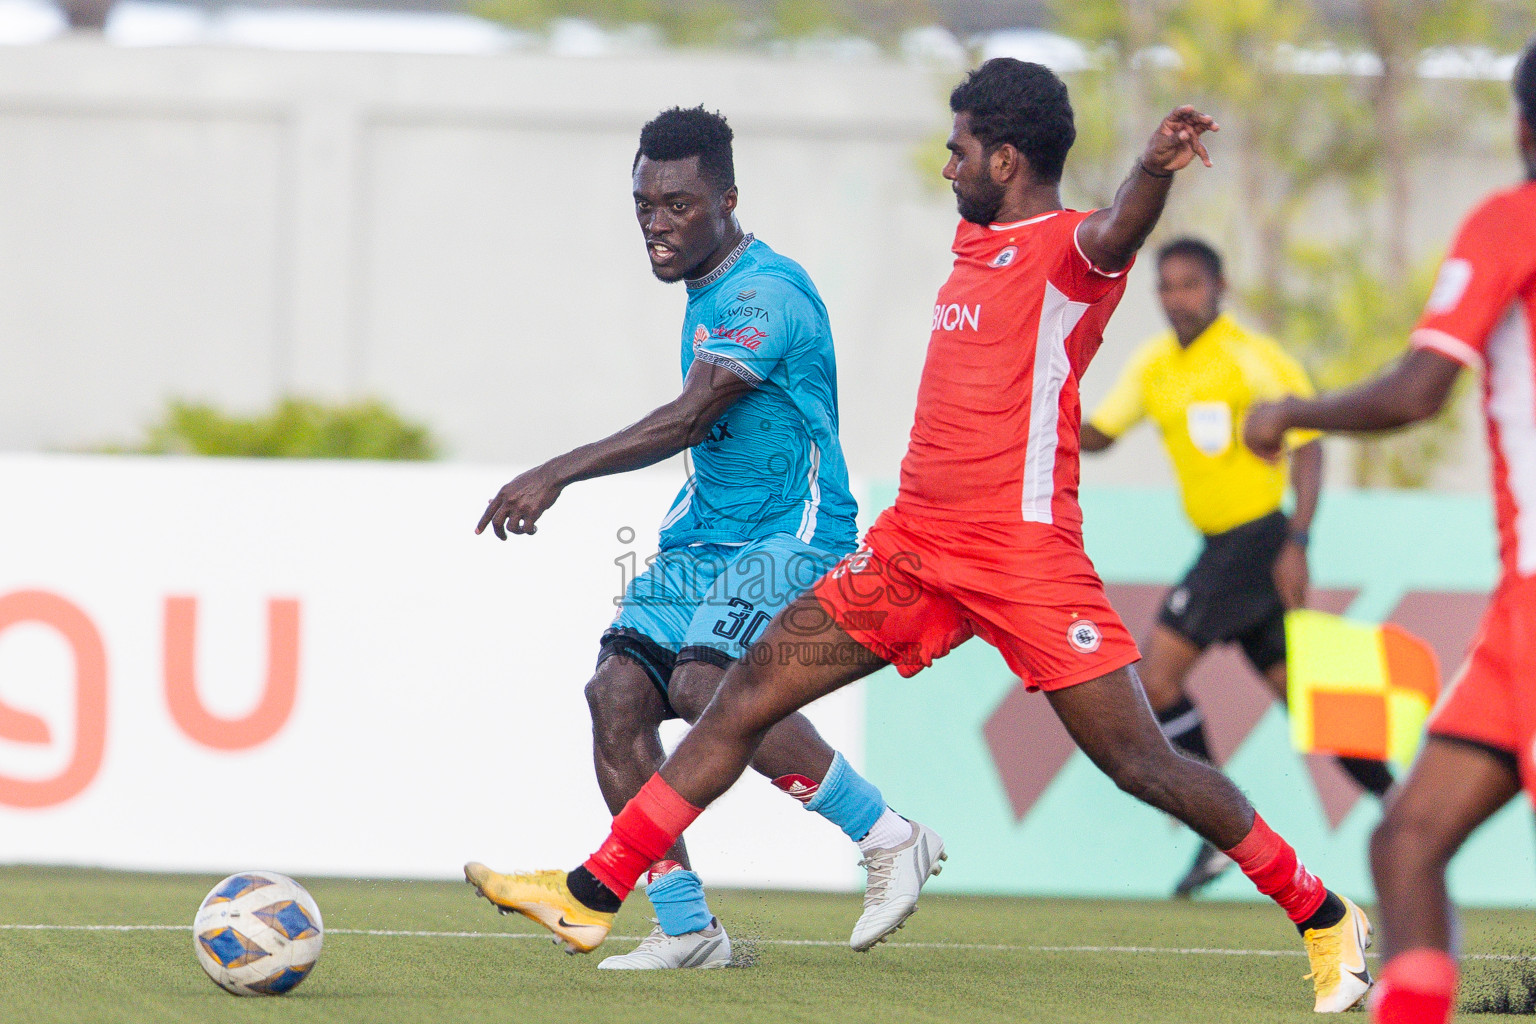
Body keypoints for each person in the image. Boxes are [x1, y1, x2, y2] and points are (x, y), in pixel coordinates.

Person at [472, 60, 1372, 1013]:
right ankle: (592, 893)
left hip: (1025, 560)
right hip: (912, 551)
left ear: (1008, 158)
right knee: (734, 696)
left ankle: (1322, 916)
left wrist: (1152, 168)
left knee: (1139, 761)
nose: (948, 167)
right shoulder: (974, 240)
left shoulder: (1074, 251)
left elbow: (1119, 228)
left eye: (960, 151)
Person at [470, 106, 942, 969]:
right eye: (645, 203)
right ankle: (686, 927)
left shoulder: (765, 295)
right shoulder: (706, 291)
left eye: (679, 205)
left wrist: (556, 473)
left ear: (727, 199)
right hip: (703, 541)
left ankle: (885, 834)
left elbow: (692, 416)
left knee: (700, 683)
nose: (657, 222)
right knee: (615, 698)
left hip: (794, 530)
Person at [1245, 39, 1536, 1024]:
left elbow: (1420, 388)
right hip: (1517, 618)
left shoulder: (1513, 218)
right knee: (1406, 838)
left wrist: (1295, 414)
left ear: (1522, 126)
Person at [1082, 237, 1394, 897]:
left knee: (1156, 682)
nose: (1177, 299)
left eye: (1190, 285)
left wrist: (1299, 541)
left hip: (1253, 542)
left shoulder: (1250, 357)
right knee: (1310, 704)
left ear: (1219, 287)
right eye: (1166, 287)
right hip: (1224, 549)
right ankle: (1402, 809)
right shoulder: (1154, 366)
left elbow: (1307, 445)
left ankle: (1220, 832)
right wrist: (1042, 407)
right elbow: (1103, 434)